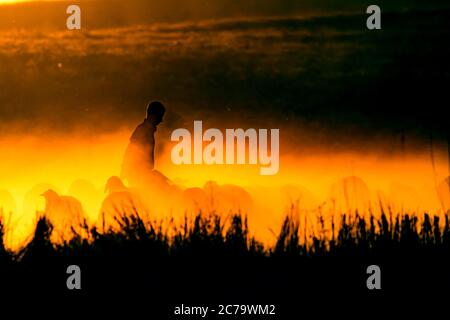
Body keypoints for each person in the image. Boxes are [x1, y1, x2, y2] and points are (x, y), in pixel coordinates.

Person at [121, 101, 166, 187]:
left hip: (142, 175)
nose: (161, 120)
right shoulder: (143, 130)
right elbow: (131, 150)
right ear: (153, 115)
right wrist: (125, 171)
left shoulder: (147, 130)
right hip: (138, 176)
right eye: (160, 116)